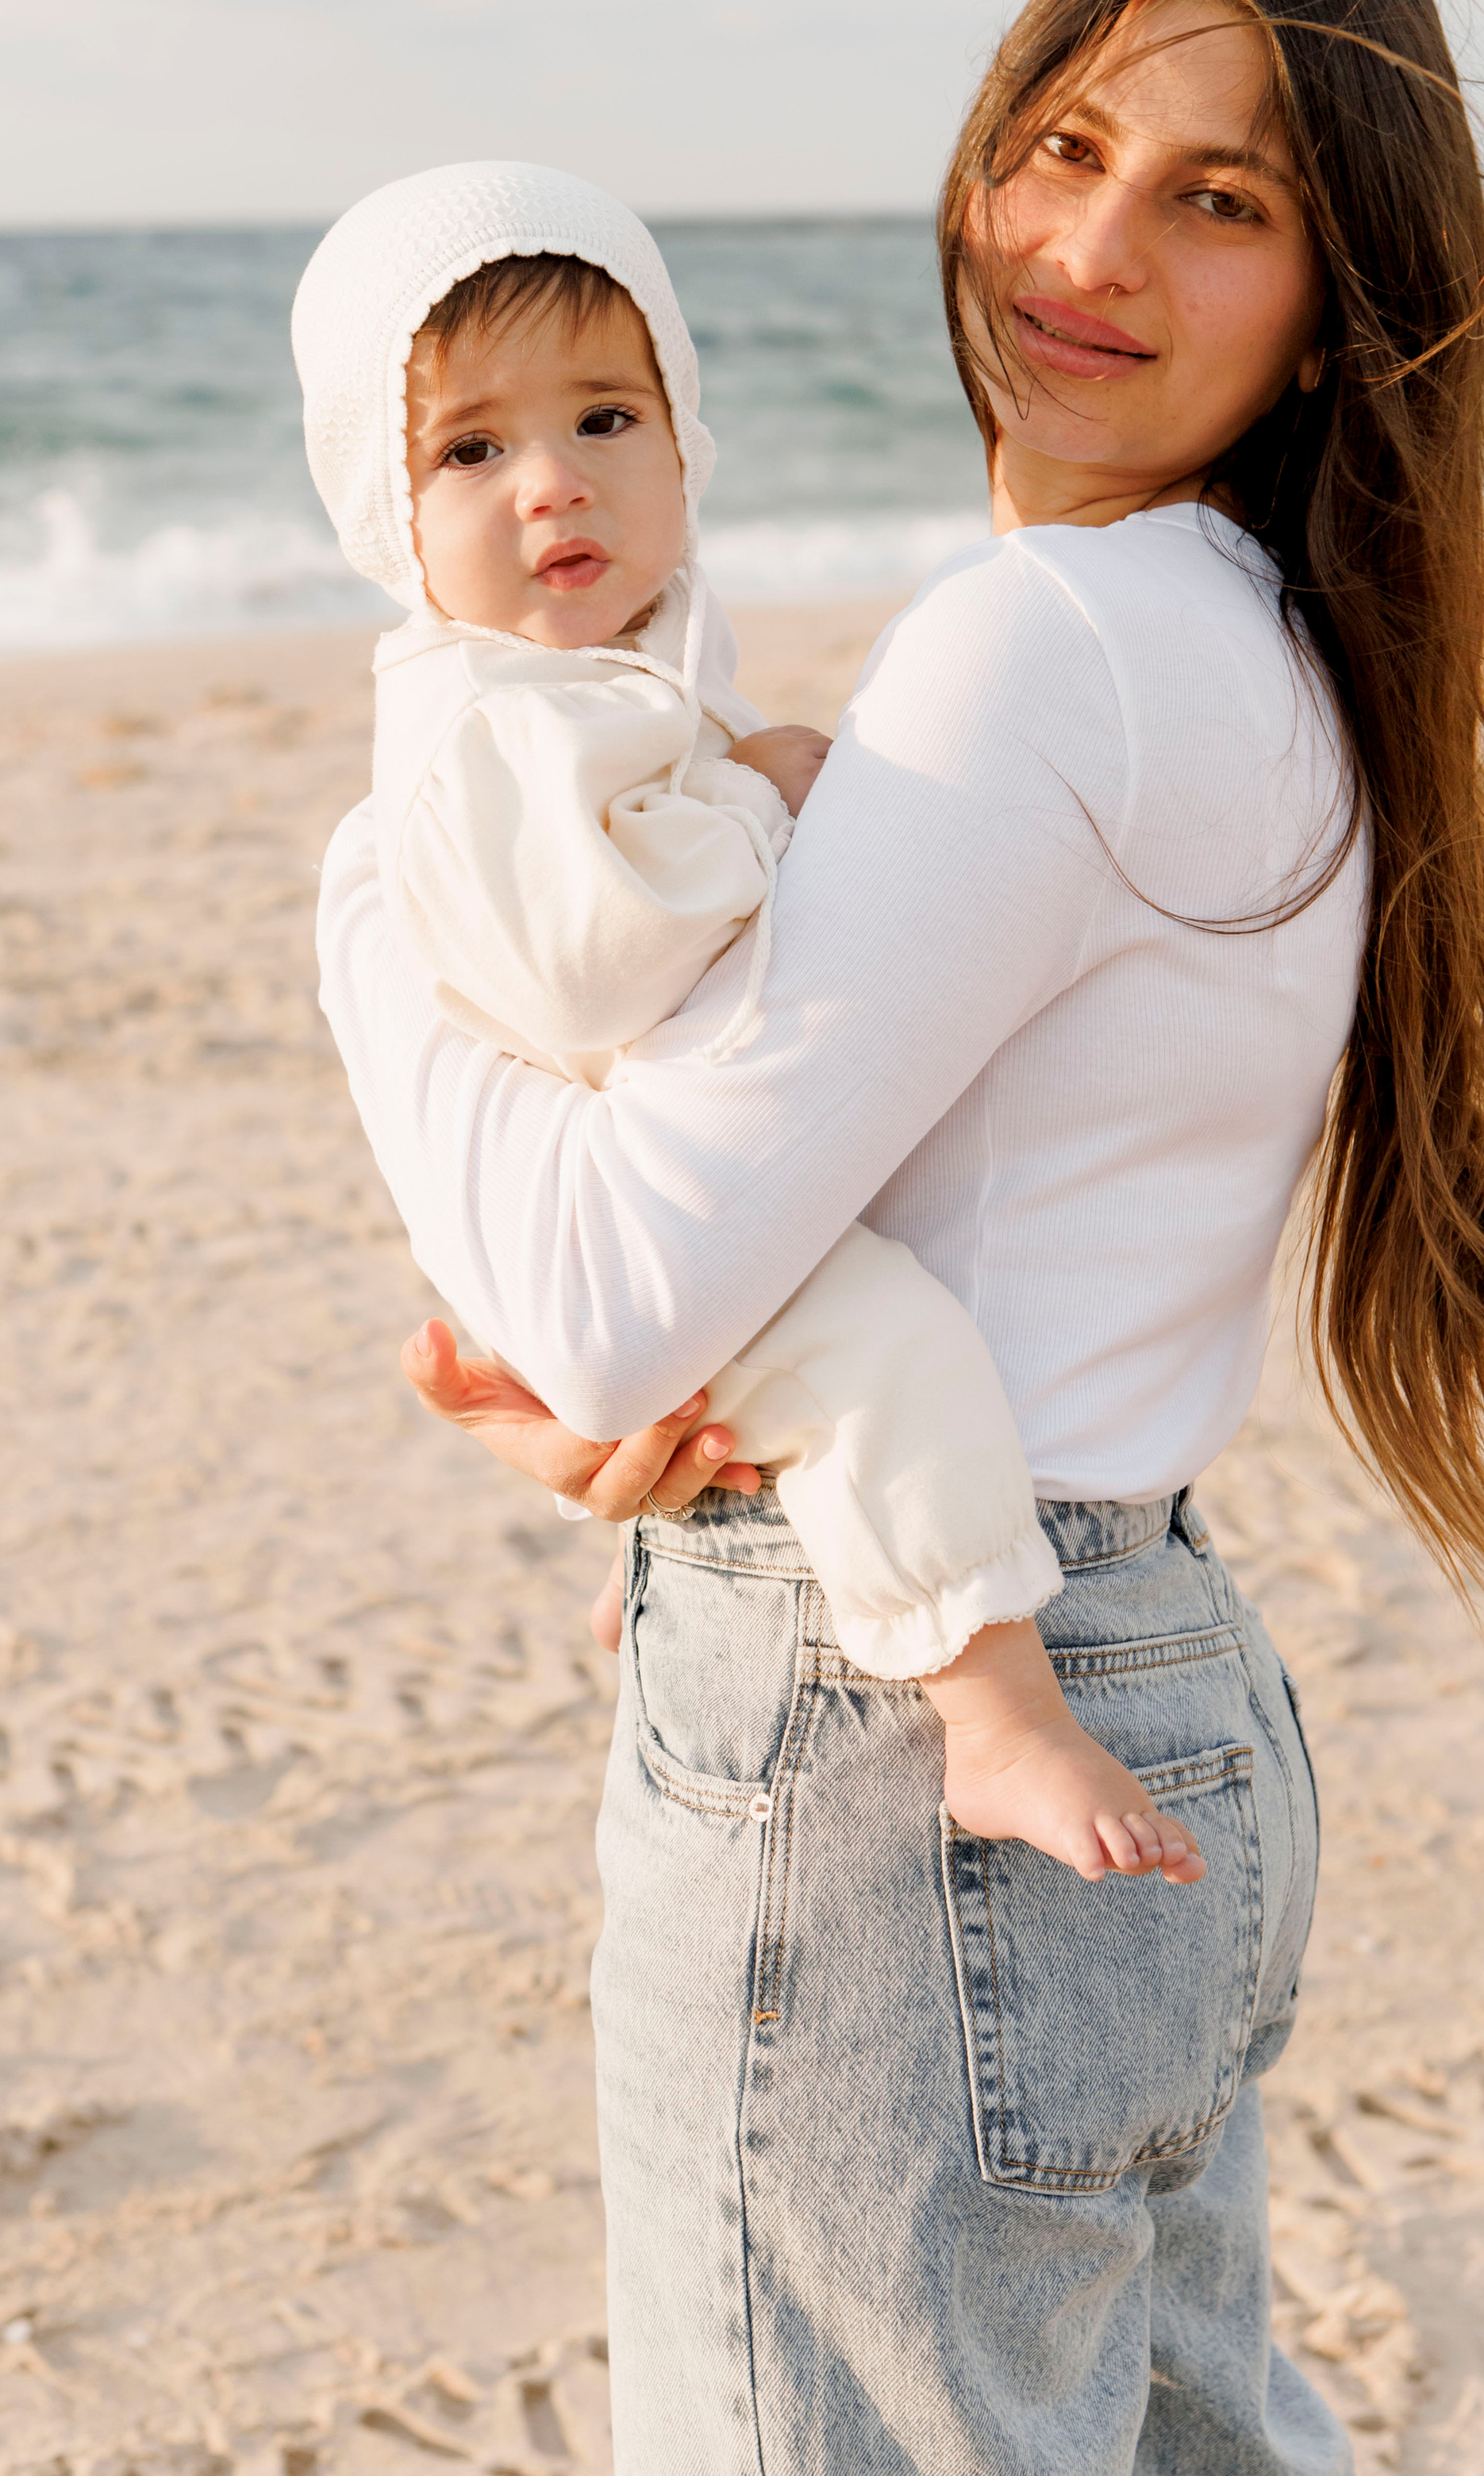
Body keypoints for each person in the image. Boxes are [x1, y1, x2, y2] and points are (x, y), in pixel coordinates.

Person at [313, 0, 1484, 2476]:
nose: (1085, 244)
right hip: (1142, 1670)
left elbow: (606, 1284)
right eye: (1064, 142)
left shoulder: (1040, 652)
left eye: (1217, 199)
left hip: (901, 1764)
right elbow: (775, 1265)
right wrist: (599, 1400)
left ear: (1334, 300)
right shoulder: (1262, 638)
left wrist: (367, 922)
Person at [291, 155, 1206, 1888]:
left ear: (684, 437)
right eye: (468, 452)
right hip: (610, 1167)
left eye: (607, 418)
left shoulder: (604, 663)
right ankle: (994, 1705)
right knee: (889, 1354)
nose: (552, 482)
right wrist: (766, 799)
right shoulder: (488, 723)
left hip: (643, 1172)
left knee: (805, 1371)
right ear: (380, 514)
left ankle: (701, 1560)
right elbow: (587, 959)